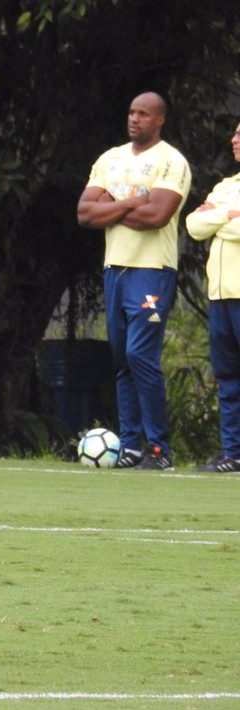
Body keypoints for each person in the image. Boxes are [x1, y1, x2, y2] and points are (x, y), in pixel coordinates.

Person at [77, 91, 192, 471]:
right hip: (115, 268)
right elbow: (84, 213)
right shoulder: (110, 158)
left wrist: (111, 204)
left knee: (140, 356)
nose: (135, 119)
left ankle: (159, 450)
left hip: (151, 270)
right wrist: (131, 202)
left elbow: (157, 216)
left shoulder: (171, 161)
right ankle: (130, 447)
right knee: (122, 359)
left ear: (160, 120)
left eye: (143, 114)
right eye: (131, 112)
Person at [185, 120, 240, 472]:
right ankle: (232, 453)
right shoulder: (226, 187)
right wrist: (229, 214)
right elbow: (194, 226)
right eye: (234, 133)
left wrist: (218, 219)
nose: (234, 139)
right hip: (220, 298)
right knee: (228, 376)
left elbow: (217, 225)